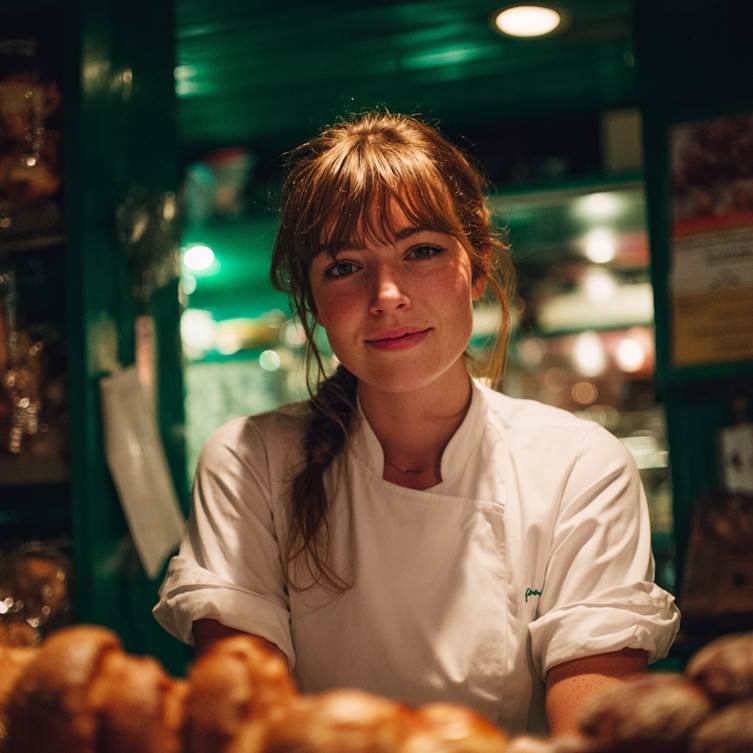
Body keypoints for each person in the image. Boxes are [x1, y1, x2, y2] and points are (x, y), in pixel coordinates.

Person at [154, 111, 680, 736]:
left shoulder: (580, 467)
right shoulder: (250, 464)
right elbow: (244, 729)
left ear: (477, 267)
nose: (387, 295)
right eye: (344, 266)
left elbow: (588, 739)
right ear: (312, 301)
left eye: (421, 252)